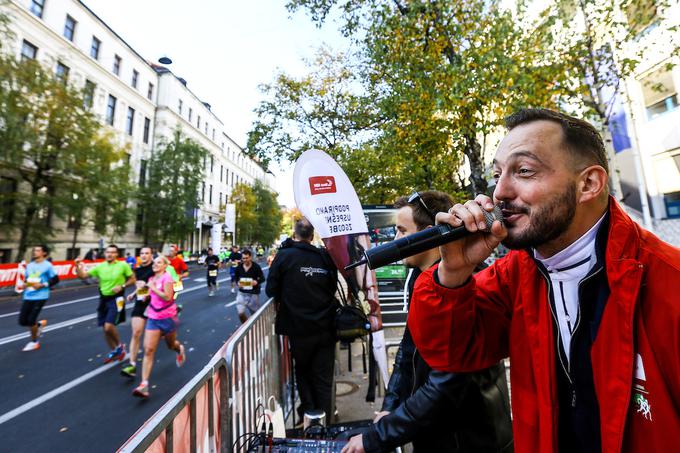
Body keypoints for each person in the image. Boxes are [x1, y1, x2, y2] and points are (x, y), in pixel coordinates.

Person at [408, 108, 680, 453]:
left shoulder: (667, 281)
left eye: (523, 171)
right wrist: (453, 274)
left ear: (588, 184)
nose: (500, 192)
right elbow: (451, 352)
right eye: (497, 174)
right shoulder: (516, 274)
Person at [343, 192, 512, 453]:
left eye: (401, 230)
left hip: (470, 440)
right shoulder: (421, 280)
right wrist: (389, 407)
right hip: (436, 435)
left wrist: (375, 438)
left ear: (429, 234)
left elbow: (444, 387)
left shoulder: (467, 284)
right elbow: (408, 352)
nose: (396, 240)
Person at [266, 218, 338, 424]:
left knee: (304, 373)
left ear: (294, 234)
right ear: (312, 235)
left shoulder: (284, 256)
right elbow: (332, 287)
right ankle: (327, 423)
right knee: (323, 378)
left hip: (298, 328)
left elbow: (271, 290)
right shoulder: (325, 257)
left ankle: (309, 419)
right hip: (325, 326)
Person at [132, 255, 186, 398]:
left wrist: (153, 289)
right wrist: (140, 295)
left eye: (159, 262)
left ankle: (179, 348)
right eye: (154, 262)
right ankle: (144, 385)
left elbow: (168, 297)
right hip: (153, 317)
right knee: (149, 350)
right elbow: (149, 295)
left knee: (171, 345)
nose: (155, 264)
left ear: (164, 265)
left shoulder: (167, 278)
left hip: (167, 318)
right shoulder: (151, 279)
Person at [76, 244, 135, 363]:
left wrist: (122, 286)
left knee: (109, 326)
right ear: (105, 253)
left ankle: (120, 346)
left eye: (113, 252)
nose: (110, 254)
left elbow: (133, 279)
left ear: (117, 254)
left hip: (116, 299)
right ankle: (115, 350)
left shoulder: (122, 265)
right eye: (108, 252)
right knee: (105, 328)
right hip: (103, 299)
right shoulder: (100, 267)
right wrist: (77, 265)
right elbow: (83, 276)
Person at [121, 246, 155, 378]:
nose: (144, 255)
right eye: (142, 253)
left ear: (151, 255)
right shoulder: (138, 270)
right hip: (141, 304)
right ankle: (132, 365)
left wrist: (150, 293)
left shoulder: (155, 268)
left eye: (147, 253)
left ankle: (177, 348)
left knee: (158, 343)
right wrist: (133, 294)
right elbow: (141, 286)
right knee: (136, 333)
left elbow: (156, 284)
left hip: (154, 305)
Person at [18, 245, 58, 351]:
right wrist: (25, 285)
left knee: (31, 320)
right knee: (22, 321)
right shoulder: (30, 265)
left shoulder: (47, 265)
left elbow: (56, 279)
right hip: (28, 295)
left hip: (41, 296)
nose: (35, 252)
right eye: (34, 250)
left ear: (44, 253)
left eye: (38, 250)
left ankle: (34, 342)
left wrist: (43, 285)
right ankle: (38, 325)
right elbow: (29, 279)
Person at [233, 249, 265, 323]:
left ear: (250, 257)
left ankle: (255, 326)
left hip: (253, 293)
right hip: (242, 293)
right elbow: (236, 277)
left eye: (247, 258)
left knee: (255, 315)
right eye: (243, 258)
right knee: (240, 313)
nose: (245, 260)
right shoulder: (239, 267)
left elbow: (262, 278)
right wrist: (238, 283)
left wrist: (256, 282)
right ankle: (246, 326)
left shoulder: (256, 267)